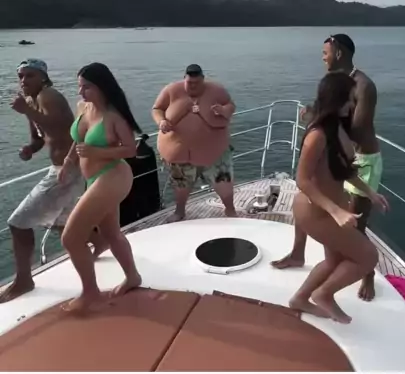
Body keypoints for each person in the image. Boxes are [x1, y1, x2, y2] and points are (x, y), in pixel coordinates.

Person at [272, 33, 383, 302]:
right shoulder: (334, 83)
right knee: (314, 201)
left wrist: (320, 123)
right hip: (335, 150)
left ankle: (366, 273)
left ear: (339, 53)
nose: (322, 58)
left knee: (354, 220)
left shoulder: (363, 86)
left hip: (360, 158)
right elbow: (330, 115)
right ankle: (299, 254)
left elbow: (357, 128)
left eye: (325, 53)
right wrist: (318, 118)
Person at [288, 72, 388, 324]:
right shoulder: (317, 135)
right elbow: (303, 180)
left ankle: (300, 299)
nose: (353, 104)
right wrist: (336, 211)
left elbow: (344, 170)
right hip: (317, 211)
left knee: (333, 261)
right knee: (368, 257)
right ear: (336, 99)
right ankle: (324, 294)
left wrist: (371, 193)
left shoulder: (339, 129)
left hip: (331, 208)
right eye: (349, 99)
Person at [0, 59, 86, 303]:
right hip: (62, 169)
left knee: (18, 223)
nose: (23, 80)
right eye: (20, 76)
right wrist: (30, 148)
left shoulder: (50, 96)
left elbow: (63, 128)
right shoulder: (30, 101)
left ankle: (24, 281)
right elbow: (41, 137)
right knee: (61, 224)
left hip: (68, 170)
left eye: (29, 75)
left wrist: (27, 111)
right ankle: (99, 246)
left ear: (43, 77)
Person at [60, 62, 142, 313]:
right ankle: (133, 277)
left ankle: (90, 294)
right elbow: (78, 140)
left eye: (87, 87)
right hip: (94, 178)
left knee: (71, 238)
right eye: (80, 86)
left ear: (102, 87)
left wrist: (97, 152)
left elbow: (131, 150)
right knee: (111, 234)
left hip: (113, 176)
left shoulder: (113, 116)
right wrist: (68, 162)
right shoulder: (83, 108)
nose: (81, 92)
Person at [152, 64, 237, 222]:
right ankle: (179, 211)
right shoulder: (171, 90)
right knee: (181, 185)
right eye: (189, 83)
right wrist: (161, 121)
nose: (193, 86)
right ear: (184, 79)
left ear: (203, 79)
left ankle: (230, 209)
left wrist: (224, 110)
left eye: (197, 83)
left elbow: (231, 105)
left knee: (224, 182)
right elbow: (157, 109)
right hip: (180, 151)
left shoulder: (217, 90)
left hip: (215, 151)